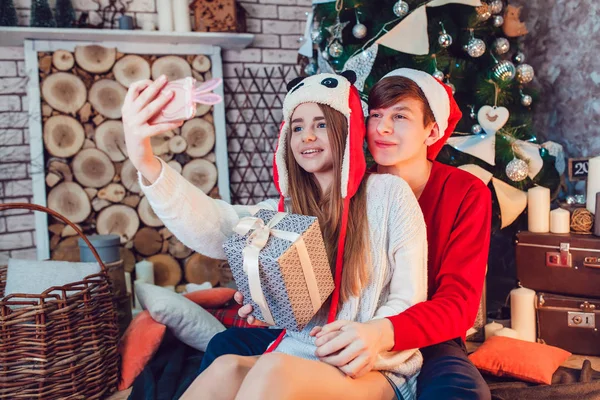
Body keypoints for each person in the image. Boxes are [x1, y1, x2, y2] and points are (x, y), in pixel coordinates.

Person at [122, 71, 428, 400]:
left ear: (345, 130)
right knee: (225, 366)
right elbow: (215, 224)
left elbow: (409, 298)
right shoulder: (282, 212)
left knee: (272, 368)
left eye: (321, 124)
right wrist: (146, 160)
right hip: (300, 354)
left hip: (376, 368)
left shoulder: (388, 194)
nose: (307, 136)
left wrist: (370, 335)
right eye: (297, 127)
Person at [210, 68, 493, 400]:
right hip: (346, 324)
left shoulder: (464, 192)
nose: (383, 128)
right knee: (225, 348)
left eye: (400, 116)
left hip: (427, 336)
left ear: (432, 131)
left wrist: (382, 332)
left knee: (459, 393)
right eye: (375, 115)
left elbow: (458, 304)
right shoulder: (349, 187)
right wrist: (273, 300)